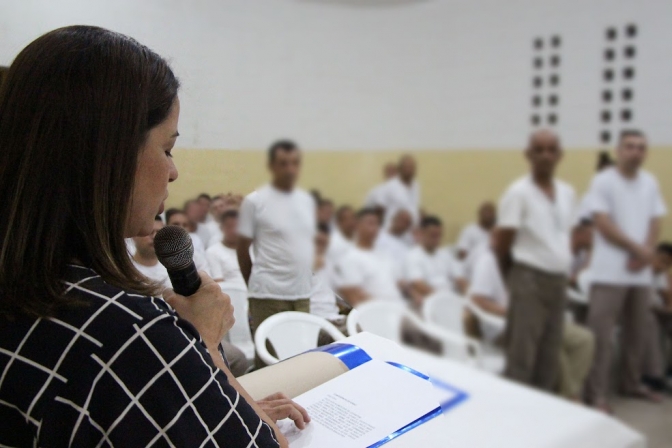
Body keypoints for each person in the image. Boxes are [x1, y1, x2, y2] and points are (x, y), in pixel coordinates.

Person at [0, 26, 310, 446]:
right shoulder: (128, 334)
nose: (173, 171)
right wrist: (203, 348)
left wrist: (212, 395)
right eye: (166, 148)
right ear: (107, 154)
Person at [585, 129, 667, 411]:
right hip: (608, 272)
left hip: (640, 273)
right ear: (619, 150)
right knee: (601, 336)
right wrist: (639, 250)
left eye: (641, 147)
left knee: (637, 334)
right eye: (630, 146)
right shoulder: (603, 181)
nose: (636, 152)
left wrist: (646, 252)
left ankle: (630, 383)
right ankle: (596, 394)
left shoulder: (650, 182)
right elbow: (603, 223)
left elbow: (656, 219)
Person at [494, 130, 576, 392]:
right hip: (529, 277)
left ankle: (543, 416)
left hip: (558, 280)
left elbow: (563, 235)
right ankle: (516, 419)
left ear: (560, 155)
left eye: (551, 150)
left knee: (550, 352)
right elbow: (502, 243)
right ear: (528, 155)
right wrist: (514, 279)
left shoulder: (567, 192)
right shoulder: (519, 192)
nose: (545, 156)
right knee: (522, 353)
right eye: (538, 150)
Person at [469, 241, 594, 401]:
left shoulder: (531, 260)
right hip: (502, 326)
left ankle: (568, 392)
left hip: (538, 317)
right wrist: (509, 312)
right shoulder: (488, 262)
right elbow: (477, 299)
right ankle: (569, 398)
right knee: (553, 348)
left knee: (585, 339)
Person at [237, 140, 316, 367]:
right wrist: (254, 285)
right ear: (272, 166)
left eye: (294, 163)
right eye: (283, 163)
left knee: (301, 360)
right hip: (267, 294)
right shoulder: (254, 202)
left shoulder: (306, 201)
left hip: (301, 293)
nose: (290, 169)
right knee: (270, 362)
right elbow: (242, 249)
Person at [335, 209, 404, 305]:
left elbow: (398, 284)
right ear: (357, 226)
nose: (375, 228)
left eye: (377, 224)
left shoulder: (385, 255)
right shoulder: (350, 258)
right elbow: (353, 294)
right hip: (376, 312)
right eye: (370, 223)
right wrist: (385, 308)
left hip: (399, 308)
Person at [405, 216, 467, 306]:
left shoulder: (445, 254)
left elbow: (460, 279)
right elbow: (418, 285)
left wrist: (468, 293)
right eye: (433, 236)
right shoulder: (413, 256)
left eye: (439, 236)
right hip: (430, 302)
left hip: (452, 299)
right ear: (422, 234)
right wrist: (443, 300)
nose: (437, 240)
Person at [311, 224, 346, 343]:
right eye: (317, 243)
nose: (320, 248)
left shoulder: (329, 265)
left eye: (324, 244)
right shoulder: (298, 266)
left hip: (337, 319)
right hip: (314, 324)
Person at [206, 210, 247, 291]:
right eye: (229, 226)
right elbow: (218, 283)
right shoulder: (212, 252)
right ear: (221, 228)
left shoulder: (251, 248)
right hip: (231, 294)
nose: (234, 231)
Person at [378, 155, 421, 227]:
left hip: (411, 231)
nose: (409, 170)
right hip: (393, 230)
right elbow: (380, 209)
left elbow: (414, 207)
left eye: (412, 167)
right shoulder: (390, 186)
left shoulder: (416, 185)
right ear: (400, 169)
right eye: (407, 167)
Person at [165, 208, 211, 274]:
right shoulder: (158, 254)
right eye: (176, 224)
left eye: (185, 225)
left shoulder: (196, 256)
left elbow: (206, 277)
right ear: (165, 227)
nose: (181, 228)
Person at [131, 216, 172, 289]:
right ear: (134, 236)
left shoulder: (172, 270)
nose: (155, 237)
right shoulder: (124, 270)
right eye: (149, 232)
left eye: (159, 232)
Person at [374, 209, 414, 281]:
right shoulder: (377, 235)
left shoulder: (408, 246)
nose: (403, 224)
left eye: (407, 223)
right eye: (402, 220)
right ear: (393, 219)